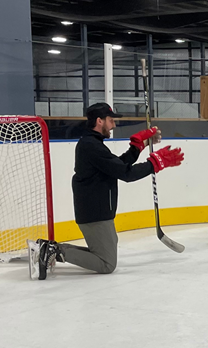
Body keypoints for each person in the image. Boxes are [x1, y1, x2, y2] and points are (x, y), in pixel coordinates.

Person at [28, 103, 185, 279]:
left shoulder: (93, 144)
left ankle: (49, 249)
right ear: (99, 121)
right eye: (111, 121)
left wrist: (137, 147)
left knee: (108, 249)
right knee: (107, 264)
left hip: (97, 210)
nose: (114, 125)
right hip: (95, 213)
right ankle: (52, 251)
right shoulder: (91, 146)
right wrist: (154, 164)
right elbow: (125, 173)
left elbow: (116, 167)